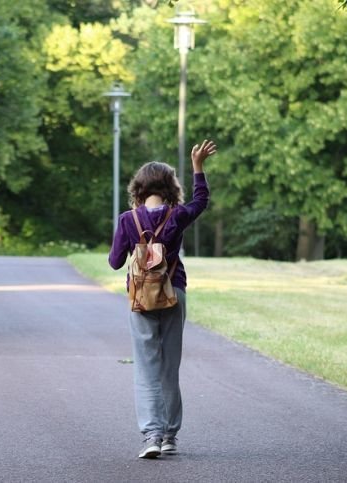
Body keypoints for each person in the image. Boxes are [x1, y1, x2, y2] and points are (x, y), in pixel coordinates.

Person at [108, 139, 216, 459]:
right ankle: (170, 435)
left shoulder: (128, 219)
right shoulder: (177, 215)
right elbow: (201, 201)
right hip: (174, 294)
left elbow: (115, 262)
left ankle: (152, 436)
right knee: (170, 366)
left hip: (141, 300)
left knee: (146, 368)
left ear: (139, 188)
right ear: (170, 187)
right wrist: (198, 168)